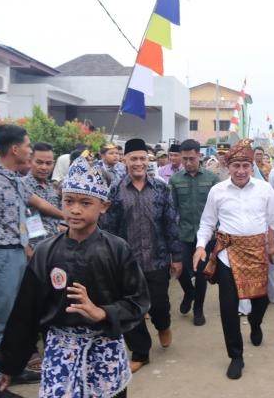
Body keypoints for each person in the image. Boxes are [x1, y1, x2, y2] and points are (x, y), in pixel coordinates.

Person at [0, 155, 150, 398]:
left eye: (86, 203)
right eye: (69, 201)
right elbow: (26, 312)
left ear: (103, 206)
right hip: (60, 352)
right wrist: (9, 365)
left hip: (103, 348)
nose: (75, 209)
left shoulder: (117, 249)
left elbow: (138, 300)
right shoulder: (46, 251)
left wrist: (104, 313)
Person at [193, 139, 274, 380]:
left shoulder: (264, 189)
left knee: (262, 301)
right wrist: (200, 247)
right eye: (236, 165)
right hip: (228, 253)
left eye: (245, 166)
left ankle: (255, 323)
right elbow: (207, 222)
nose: (241, 171)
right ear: (228, 166)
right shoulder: (218, 191)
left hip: (257, 252)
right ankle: (236, 356)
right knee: (228, 308)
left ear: (252, 166)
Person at [0, 125, 64, 397]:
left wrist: (70, 217)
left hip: (18, 255)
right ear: (15, 149)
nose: (31, 152)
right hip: (0, 256)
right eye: (29, 148)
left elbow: (41, 206)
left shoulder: (15, 181)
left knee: (15, 319)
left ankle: (11, 368)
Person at [101, 138, 183, 373]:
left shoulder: (160, 188)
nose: (138, 163)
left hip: (156, 260)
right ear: (125, 160)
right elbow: (109, 227)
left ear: (149, 161)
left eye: (142, 158)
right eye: (133, 158)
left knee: (159, 305)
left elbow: (170, 224)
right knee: (130, 309)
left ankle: (163, 325)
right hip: (126, 262)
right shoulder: (115, 190)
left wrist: (176, 256)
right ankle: (140, 352)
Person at [169, 139, 220, 326]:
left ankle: (198, 309)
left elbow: (219, 208)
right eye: (185, 159)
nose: (188, 163)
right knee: (179, 270)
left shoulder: (212, 179)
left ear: (199, 155)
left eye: (192, 158)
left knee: (200, 273)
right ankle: (188, 293)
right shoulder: (175, 180)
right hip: (183, 234)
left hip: (205, 236)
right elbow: (171, 209)